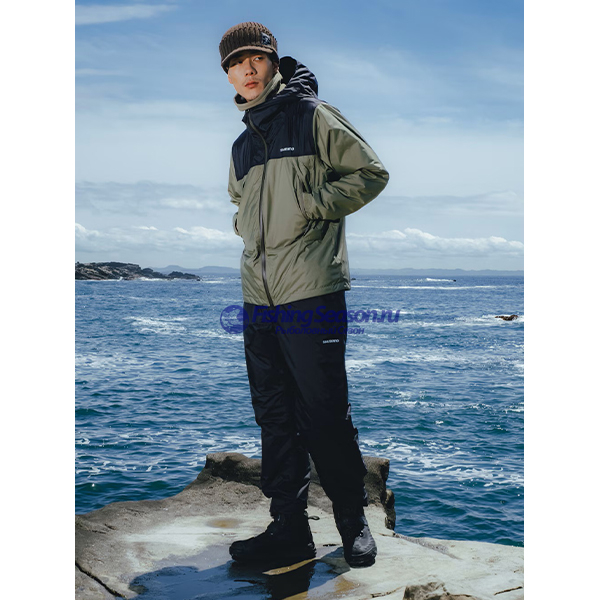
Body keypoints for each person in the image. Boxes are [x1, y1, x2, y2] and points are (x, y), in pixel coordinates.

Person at [219, 21, 389, 568]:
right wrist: (248, 225)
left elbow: (370, 173)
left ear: (272, 61)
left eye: (255, 58)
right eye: (235, 63)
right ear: (228, 76)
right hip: (258, 298)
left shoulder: (312, 115)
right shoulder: (242, 143)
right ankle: (288, 529)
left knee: (323, 415)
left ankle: (352, 522)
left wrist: (311, 205)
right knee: (274, 417)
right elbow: (240, 202)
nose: (246, 69)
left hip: (311, 293)